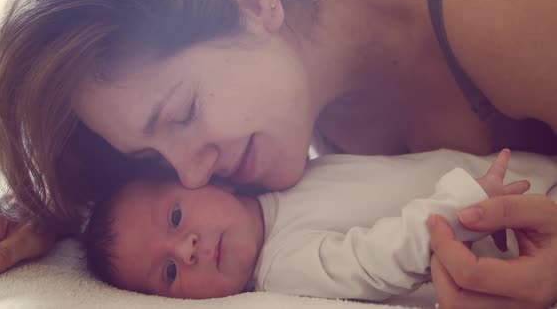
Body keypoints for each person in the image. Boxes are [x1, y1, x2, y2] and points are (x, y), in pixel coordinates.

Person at [0, 0, 557, 307]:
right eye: (152, 158)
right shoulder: (280, 135)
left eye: (183, 112)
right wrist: (49, 215)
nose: (193, 177)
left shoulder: (503, 12)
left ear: (251, 1)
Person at [83, 149, 546, 301]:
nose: (186, 250)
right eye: (168, 273)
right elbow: (378, 259)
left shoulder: (284, 174)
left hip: (517, 174)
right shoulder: (283, 266)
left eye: (176, 217)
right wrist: (465, 206)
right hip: (515, 234)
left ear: (208, 179)